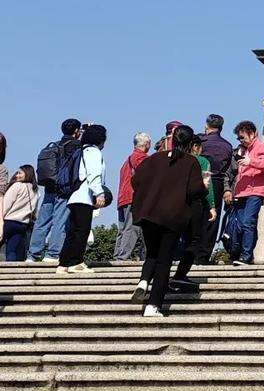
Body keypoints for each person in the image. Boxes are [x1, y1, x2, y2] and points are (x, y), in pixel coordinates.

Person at [130, 124, 208, 317]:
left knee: (152, 254)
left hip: (148, 213)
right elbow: (194, 191)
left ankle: (144, 281)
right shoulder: (191, 162)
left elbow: (135, 180)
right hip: (172, 215)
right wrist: (204, 185)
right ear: (190, 143)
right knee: (165, 261)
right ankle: (153, 305)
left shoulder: (154, 159)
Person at [58, 123, 111, 273]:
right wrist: (99, 193)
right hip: (85, 196)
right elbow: (94, 174)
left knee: (72, 231)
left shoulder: (81, 150)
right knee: (82, 230)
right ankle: (76, 262)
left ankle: (63, 263)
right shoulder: (93, 152)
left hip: (74, 196)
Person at [29, 119, 82, 264]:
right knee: (60, 221)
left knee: (42, 221)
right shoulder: (76, 145)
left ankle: (32, 254)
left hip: (49, 187)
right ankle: (52, 254)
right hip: (63, 188)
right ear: (77, 130)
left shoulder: (55, 145)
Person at [225, 121, 264, 264]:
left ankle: (246, 255)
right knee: (239, 225)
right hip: (240, 192)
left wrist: (251, 161)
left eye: (242, 137)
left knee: (248, 223)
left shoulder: (261, 147)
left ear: (252, 134)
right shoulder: (241, 150)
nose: (241, 140)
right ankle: (242, 253)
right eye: (238, 138)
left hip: (255, 192)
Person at [197, 116, 235, 261]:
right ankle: (204, 255)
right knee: (213, 218)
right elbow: (228, 170)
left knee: (196, 216)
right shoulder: (227, 146)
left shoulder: (200, 143)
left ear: (207, 126)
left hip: (199, 180)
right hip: (218, 182)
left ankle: (192, 253)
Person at [114, 132, 151, 263]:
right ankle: (122, 257)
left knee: (123, 229)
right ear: (147, 144)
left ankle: (118, 254)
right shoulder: (142, 158)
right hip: (133, 196)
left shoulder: (128, 160)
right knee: (132, 228)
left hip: (123, 197)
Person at [2, 165, 39, 261]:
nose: (17, 176)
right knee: (11, 250)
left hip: (8, 222)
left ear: (27, 174)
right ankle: (10, 273)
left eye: (20, 173)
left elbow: (6, 205)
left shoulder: (17, 186)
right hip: (22, 225)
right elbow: (34, 210)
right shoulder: (35, 191)